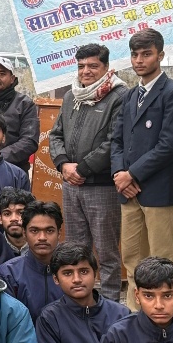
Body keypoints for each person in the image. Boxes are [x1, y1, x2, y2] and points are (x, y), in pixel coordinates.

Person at [110, 28, 173, 311]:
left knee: (164, 261)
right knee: (132, 260)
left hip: (157, 191)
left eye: (147, 54)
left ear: (161, 55)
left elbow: (169, 145)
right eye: (135, 55)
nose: (139, 60)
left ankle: (171, 319)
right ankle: (135, 317)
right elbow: (116, 141)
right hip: (128, 192)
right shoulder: (130, 95)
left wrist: (132, 174)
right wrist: (119, 175)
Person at [50, 43, 127, 301]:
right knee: (75, 251)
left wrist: (82, 168)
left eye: (93, 66)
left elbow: (115, 141)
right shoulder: (72, 95)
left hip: (102, 187)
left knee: (106, 252)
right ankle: (78, 302)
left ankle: (111, 305)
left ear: (106, 67)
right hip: (71, 185)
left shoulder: (118, 96)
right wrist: (63, 164)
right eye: (81, 66)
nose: (86, 71)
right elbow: (56, 134)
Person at [0, 201, 64, 321]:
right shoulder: (8, 274)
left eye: (49, 230)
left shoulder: (72, 272)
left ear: (59, 233)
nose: (42, 238)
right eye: (34, 231)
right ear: (24, 233)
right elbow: (6, 322)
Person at [0, 187, 35, 259]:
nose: (13, 219)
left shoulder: (41, 246)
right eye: (7, 214)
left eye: (20, 213)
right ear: (0, 219)